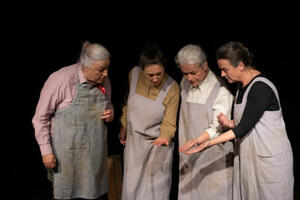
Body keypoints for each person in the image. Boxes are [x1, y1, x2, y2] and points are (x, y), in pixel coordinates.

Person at [179, 41, 294, 200]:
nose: (223, 74)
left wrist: (208, 142)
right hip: (250, 159)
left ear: (240, 65)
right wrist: (230, 123)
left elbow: (244, 127)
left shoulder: (261, 88)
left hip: (268, 160)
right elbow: (252, 119)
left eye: (225, 69)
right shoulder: (241, 87)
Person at [32, 41, 114, 200]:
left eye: (107, 68)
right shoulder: (61, 80)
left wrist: (110, 112)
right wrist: (46, 151)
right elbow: (40, 118)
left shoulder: (105, 81)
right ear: (85, 67)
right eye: (101, 69)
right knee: (68, 195)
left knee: (95, 194)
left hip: (94, 154)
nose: (106, 74)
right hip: (67, 156)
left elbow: (108, 103)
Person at [118, 44, 180, 200]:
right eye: (150, 75)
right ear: (141, 70)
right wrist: (124, 125)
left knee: (153, 193)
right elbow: (127, 102)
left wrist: (164, 137)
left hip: (157, 146)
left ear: (164, 67)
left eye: (159, 74)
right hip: (134, 145)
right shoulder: (133, 74)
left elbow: (169, 122)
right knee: (132, 190)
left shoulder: (172, 88)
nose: (155, 79)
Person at [175, 44, 234, 200]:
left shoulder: (220, 90)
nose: (189, 78)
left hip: (213, 160)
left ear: (205, 66)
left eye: (193, 73)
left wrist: (199, 140)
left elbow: (218, 128)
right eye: (185, 73)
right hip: (190, 157)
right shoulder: (185, 83)